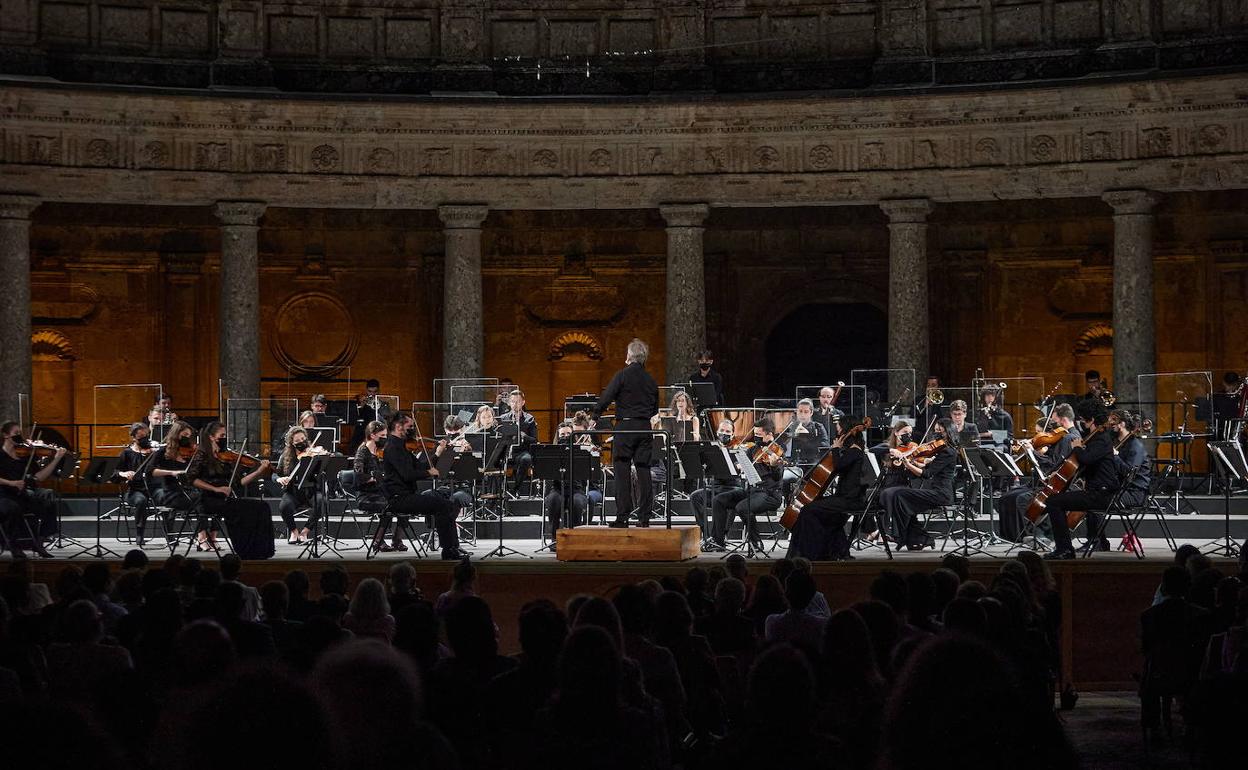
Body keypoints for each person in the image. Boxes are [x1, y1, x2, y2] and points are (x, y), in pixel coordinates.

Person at [379, 411, 467, 560]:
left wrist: (437, 453)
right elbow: (408, 474)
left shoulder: (401, 447)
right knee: (444, 506)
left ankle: (452, 548)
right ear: (399, 427)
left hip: (407, 496)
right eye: (410, 426)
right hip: (399, 499)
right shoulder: (393, 448)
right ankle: (449, 550)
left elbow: (420, 466)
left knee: (447, 504)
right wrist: (428, 473)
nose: (412, 429)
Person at [1040, 403, 1121, 560]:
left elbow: (1086, 459)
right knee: (1055, 501)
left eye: (1084, 421)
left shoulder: (1102, 440)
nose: (1083, 424)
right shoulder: (1097, 438)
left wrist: (1077, 447)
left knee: (1054, 502)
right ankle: (1064, 548)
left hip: (1102, 494)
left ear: (1091, 421)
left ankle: (1064, 549)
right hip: (1096, 491)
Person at [594, 338, 659, 528]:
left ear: (629, 356)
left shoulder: (622, 376)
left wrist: (596, 414)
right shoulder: (651, 380)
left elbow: (607, 397)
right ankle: (644, 517)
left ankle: (623, 516)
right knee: (643, 469)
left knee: (622, 470)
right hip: (644, 427)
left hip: (625, 427)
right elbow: (654, 409)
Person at [185, 422, 274, 555]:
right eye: (222, 435)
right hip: (207, 500)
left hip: (224, 499)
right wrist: (216, 489)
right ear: (211, 437)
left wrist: (259, 471)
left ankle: (262, 549)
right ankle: (244, 549)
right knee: (239, 510)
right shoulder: (201, 455)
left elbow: (238, 483)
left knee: (263, 507)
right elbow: (191, 479)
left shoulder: (223, 458)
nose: (224, 438)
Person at [787, 419, 868, 561]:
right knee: (813, 508)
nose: (837, 434)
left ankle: (809, 553)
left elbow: (838, 466)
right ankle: (827, 550)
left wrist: (836, 448)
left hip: (850, 500)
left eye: (838, 430)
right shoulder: (851, 450)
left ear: (846, 431)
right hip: (844, 498)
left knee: (808, 510)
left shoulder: (855, 451)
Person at [996, 404, 1079, 542]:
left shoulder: (1068, 438)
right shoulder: (1065, 437)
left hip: (1056, 485)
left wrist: (1032, 452)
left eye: (1055, 421)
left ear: (1063, 420)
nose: (1054, 426)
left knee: (1019, 499)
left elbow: (1053, 464)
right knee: (1006, 498)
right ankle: (1013, 536)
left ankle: (1037, 535)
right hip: (1051, 482)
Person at [707, 416, 785, 552]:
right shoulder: (753, 450)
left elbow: (778, 477)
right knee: (719, 500)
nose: (756, 438)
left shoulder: (777, 450)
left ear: (769, 435)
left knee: (742, 508)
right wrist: (740, 465)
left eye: (759, 435)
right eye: (755, 434)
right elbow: (744, 467)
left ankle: (756, 542)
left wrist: (774, 466)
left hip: (770, 494)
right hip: (752, 491)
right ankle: (718, 541)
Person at [881, 417, 959, 551]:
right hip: (936, 491)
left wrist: (906, 463)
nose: (936, 434)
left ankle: (903, 535)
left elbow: (927, 474)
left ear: (948, 432)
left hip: (941, 494)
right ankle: (916, 537)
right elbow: (926, 466)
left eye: (939, 431)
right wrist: (914, 462)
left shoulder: (948, 452)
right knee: (900, 497)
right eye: (935, 431)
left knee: (900, 495)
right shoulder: (941, 450)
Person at [0, 421, 70, 559]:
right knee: (12, 507)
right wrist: (11, 483)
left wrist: (56, 459)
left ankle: (39, 542)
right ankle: (14, 545)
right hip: (4, 495)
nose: (20, 437)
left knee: (48, 496)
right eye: (16, 434)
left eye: (21, 434)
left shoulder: (25, 455)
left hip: (23, 494)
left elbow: (39, 477)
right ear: (6, 435)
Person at [543, 416, 604, 545]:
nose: (565, 436)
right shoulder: (551, 453)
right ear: (558, 437)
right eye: (562, 434)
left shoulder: (581, 450)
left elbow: (592, 474)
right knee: (553, 500)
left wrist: (590, 452)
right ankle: (555, 539)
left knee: (576, 502)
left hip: (577, 490)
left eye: (568, 434)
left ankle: (575, 538)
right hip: (558, 489)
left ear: (573, 435)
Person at [690, 420, 743, 540]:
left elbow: (741, 468)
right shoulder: (711, 449)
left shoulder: (737, 449)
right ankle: (706, 533)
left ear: (733, 434)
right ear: (717, 432)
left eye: (728, 431)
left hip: (732, 488)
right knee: (695, 496)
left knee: (723, 500)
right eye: (722, 431)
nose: (724, 433)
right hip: (715, 487)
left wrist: (739, 465)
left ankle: (722, 535)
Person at [274, 427, 327, 545]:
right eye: (297, 441)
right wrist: (279, 478)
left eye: (303, 439)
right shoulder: (286, 457)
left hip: (311, 491)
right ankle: (294, 531)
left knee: (322, 502)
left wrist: (323, 457)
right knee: (284, 506)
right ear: (292, 443)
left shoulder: (313, 453)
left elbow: (323, 468)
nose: (301, 442)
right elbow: (275, 474)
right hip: (293, 492)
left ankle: (305, 532)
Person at [115, 422, 163, 546]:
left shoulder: (154, 452)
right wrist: (123, 474)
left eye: (146, 436)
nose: (145, 440)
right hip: (134, 491)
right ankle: (139, 534)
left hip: (153, 489)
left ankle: (171, 532)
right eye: (141, 437)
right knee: (141, 501)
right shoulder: (126, 453)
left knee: (167, 495)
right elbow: (114, 473)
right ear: (133, 437)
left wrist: (157, 453)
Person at [499, 388, 538, 495]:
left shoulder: (529, 419)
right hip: (505, 450)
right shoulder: (503, 418)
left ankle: (516, 488)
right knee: (494, 459)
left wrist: (523, 435)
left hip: (521, 451)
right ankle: (502, 490)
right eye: (513, 401)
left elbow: (534, 440)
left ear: (523, 402)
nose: (515, 404)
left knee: (526, 459)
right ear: (509, 403)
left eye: (518, 401)